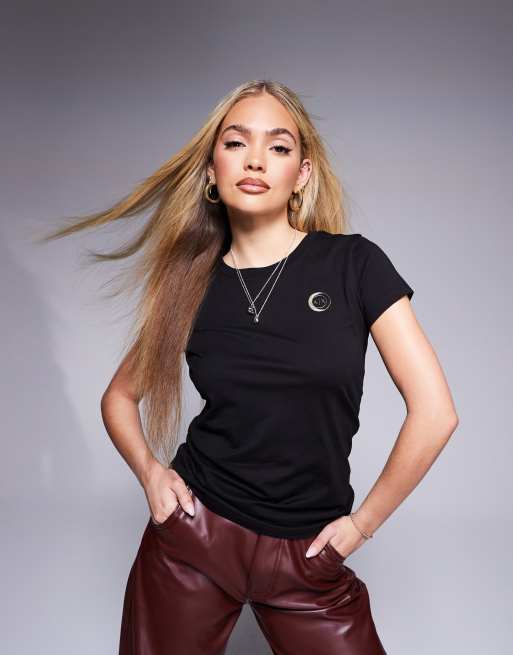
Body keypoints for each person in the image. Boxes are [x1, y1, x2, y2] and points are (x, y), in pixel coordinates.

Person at [42, 80, 459, 654]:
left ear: (302, 174)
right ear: (212, 171)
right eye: (237, 143)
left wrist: (362, 525)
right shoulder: (190, 284)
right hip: (194, 539)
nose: (256, 159)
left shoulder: (354, 264)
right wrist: (151, 474)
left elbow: (435, 413)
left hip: (308, 554)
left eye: (279, 147)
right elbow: (119, 397)